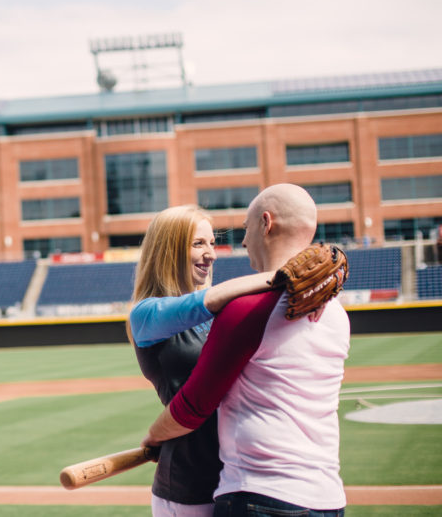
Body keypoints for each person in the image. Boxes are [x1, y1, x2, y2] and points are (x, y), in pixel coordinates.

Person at [142, 184, 350, 516]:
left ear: (266, 223)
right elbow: (206, 302)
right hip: (326, 497)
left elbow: (193, 406)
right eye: (200, 243)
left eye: (245, 228)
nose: (241, 242)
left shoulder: (246, 311)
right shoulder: (333, 308)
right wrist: (300, 273)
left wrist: (152, 437)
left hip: (258, 493)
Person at [129, 205, 275, 516]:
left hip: (241, 478)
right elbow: (207, 300)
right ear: (168, 250)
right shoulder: (145, 314)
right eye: (198, 244)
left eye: (212, 243)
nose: (211, 254)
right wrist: (283, 275)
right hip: (190, 482)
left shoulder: (220, 311)